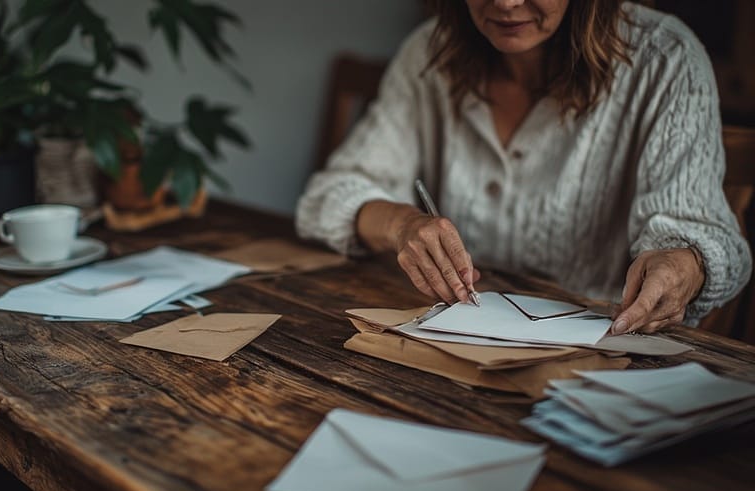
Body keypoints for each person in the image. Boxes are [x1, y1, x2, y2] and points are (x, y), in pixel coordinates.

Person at [296, 0, 752, 334]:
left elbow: (708, 240)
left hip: (604, 360)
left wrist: (683, 264)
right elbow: (328, 197)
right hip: (451, 343)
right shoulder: (429, 53)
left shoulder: (665, 58)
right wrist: (401, 224)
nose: (506, 3)